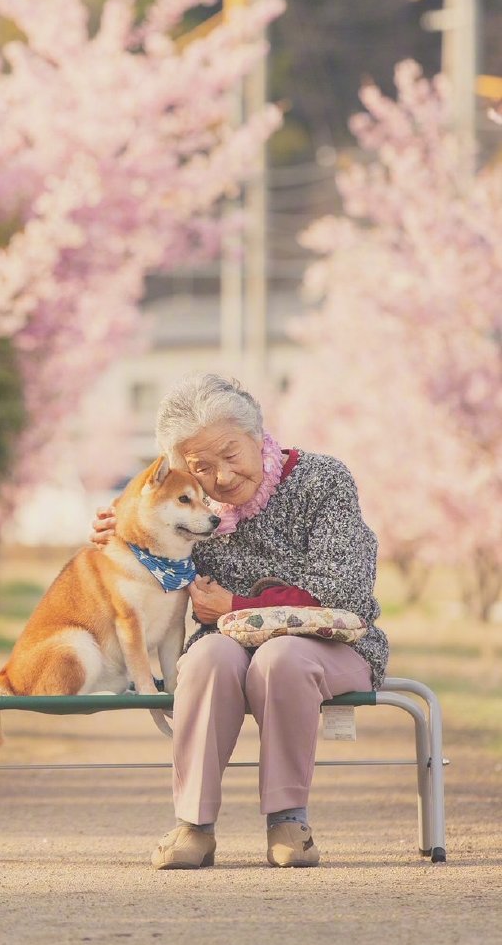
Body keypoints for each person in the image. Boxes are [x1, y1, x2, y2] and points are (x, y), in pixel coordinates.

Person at [89, 371, 388, 869]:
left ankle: (288, 820)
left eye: (231, 455)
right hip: (227, 644)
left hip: (331, 644)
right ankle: (193, 824)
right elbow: (144, 564)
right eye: (202, 467)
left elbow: (344, 590)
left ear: (257, 435)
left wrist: (237, 607)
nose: (221, 477)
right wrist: (121, 531)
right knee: (206, 656)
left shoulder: (323, 479)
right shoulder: (196, 513)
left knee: (282, 657)